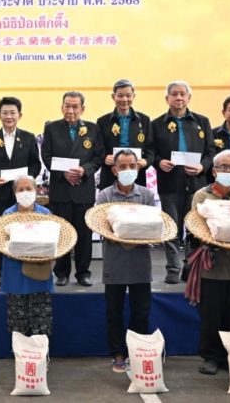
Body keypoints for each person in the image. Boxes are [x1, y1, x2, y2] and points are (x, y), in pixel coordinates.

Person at [191, 150, 230, 375]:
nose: (228, 171)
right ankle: (210, 356)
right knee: (211, 314)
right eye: (224, 167)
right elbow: (197, 228)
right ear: (214, 171)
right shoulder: (202, 196)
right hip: (212, 266)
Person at [96, 149, 155, 373]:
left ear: (138, 168)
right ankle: (118, 353)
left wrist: (131, 231)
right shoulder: (104, 196)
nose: (127, 170)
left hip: (140, 262)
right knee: (114, 312)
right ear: (114, 170)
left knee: (141, 312)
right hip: (115, 261)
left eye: (132, 166)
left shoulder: (146, 195)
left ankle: (137, 353)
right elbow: (101, 226)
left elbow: (153, 227)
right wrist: (128, 233)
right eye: (122, 167)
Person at [151, 81, 215, 284]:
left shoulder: (202, 121)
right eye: (174, 94)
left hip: (196, 184)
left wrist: (202, 167)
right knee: (172, 227)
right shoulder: (156, 124)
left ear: (189, 98)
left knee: (195, 227)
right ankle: (173, 268)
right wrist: (159, 162)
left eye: (182, 94)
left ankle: (191, 266)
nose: (179, 98)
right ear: (167, 98)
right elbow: (150, 152)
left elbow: (211, 152)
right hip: (169, 183)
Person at [40, 91, 104, 287]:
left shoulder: (93, 129)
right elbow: (46, 156)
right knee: (62, 233)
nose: (71, 110)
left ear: (82, 109)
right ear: (62, 107)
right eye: (67, 106)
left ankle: (83, 273)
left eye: (75, 106)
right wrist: (63, 173)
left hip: (83, 190)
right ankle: (61, 273)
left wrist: (84, 171)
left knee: (84, 235)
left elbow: (98, 157)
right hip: (60, 190)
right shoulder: (51, 128)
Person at [0, 97, 42, 284]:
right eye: (5, 113)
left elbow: (36, 165)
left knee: (26, 232)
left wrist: (26, 181)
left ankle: (28, 269)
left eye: (12, 113)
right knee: (2, 233)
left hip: (24, 195)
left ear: (19, 115)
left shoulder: (28, 138)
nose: (9, 116)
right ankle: (4, 273)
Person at [0, 175, 54, 337]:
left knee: (41, 325)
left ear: (36, 190)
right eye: (20, 189)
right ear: (14, 192)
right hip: (14, 274)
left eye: (28, 188)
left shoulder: (45, 213)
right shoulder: (7, 215)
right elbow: (1, 242)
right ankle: (20, 352)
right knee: (17, 325)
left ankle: (40, 352)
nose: (25, 192)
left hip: (39, 272)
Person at [97, 79, 154, 190]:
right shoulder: (102, 121)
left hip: (136, 173)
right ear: (113, 97)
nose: (124, 99)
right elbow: (97, 149)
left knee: (136, 201)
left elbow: (151, 148)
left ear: (133, 96)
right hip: (110, 174)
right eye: (120, 96)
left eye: (128, 95)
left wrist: (146, 161)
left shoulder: (144, 120)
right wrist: (104, 158)